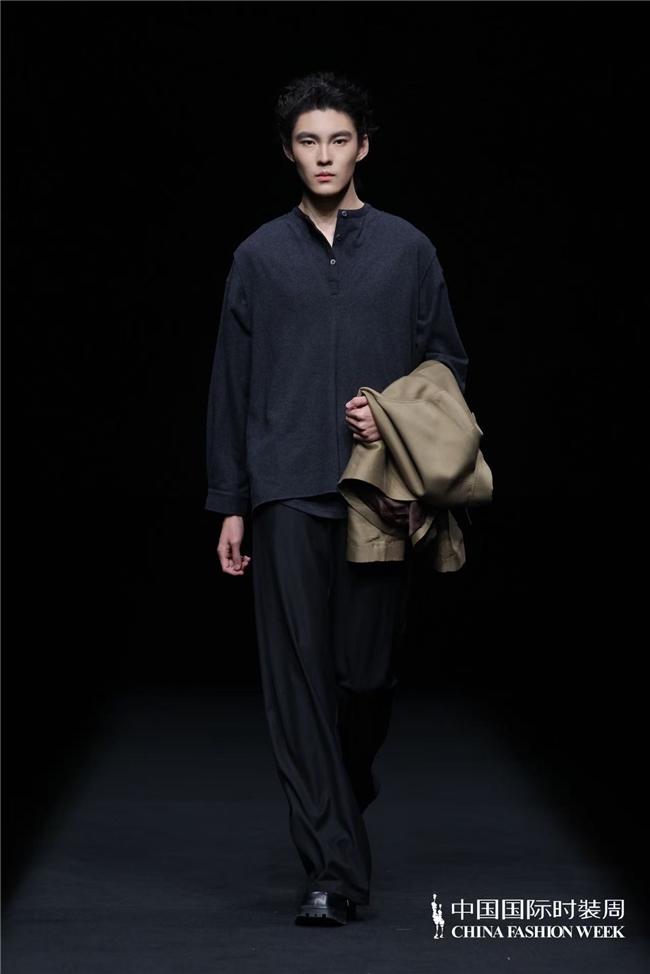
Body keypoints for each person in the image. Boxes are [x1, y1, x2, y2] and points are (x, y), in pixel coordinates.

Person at [205, 70, 468, 926]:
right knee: (298, 686)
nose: (324, 155)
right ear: (289, 151)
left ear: (364, 147)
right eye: (308, 141)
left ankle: (343, 791)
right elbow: (230, 384)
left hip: (375, 492)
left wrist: (391, 410)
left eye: (339, 140)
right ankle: (331, 871)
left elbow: (448, 363)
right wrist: (231, 501)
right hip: (283, 490)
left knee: (365, 678)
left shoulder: (408, 249)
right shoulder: (257, 256)